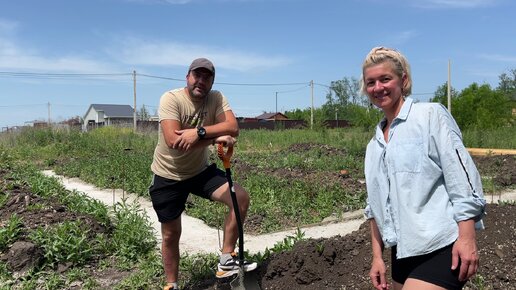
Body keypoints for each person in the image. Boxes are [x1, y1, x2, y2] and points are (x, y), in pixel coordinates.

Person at [361, 47, 486, 290]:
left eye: (385, 79)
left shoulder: (430, 116)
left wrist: (468, 238)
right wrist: (377, 257)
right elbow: (374, 205)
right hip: (402, 253)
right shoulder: (373, 145)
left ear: (403, 80)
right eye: (371, 82)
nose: (378, 88)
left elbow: (461, 177)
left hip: (441, 245)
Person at [149, 57, 257, 290]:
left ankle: (226, 260)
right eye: (197, 75)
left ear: (212, 81)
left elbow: (233, 128)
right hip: (168, 174)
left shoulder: (216, 98)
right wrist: (215, 137)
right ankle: (172, 284)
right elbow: (173, 141)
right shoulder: (171, 99)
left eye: (207, 77)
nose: (201, 81)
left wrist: (197, 132)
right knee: (170, 234)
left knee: (240, 198)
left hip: (199, 172)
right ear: (187, 77)